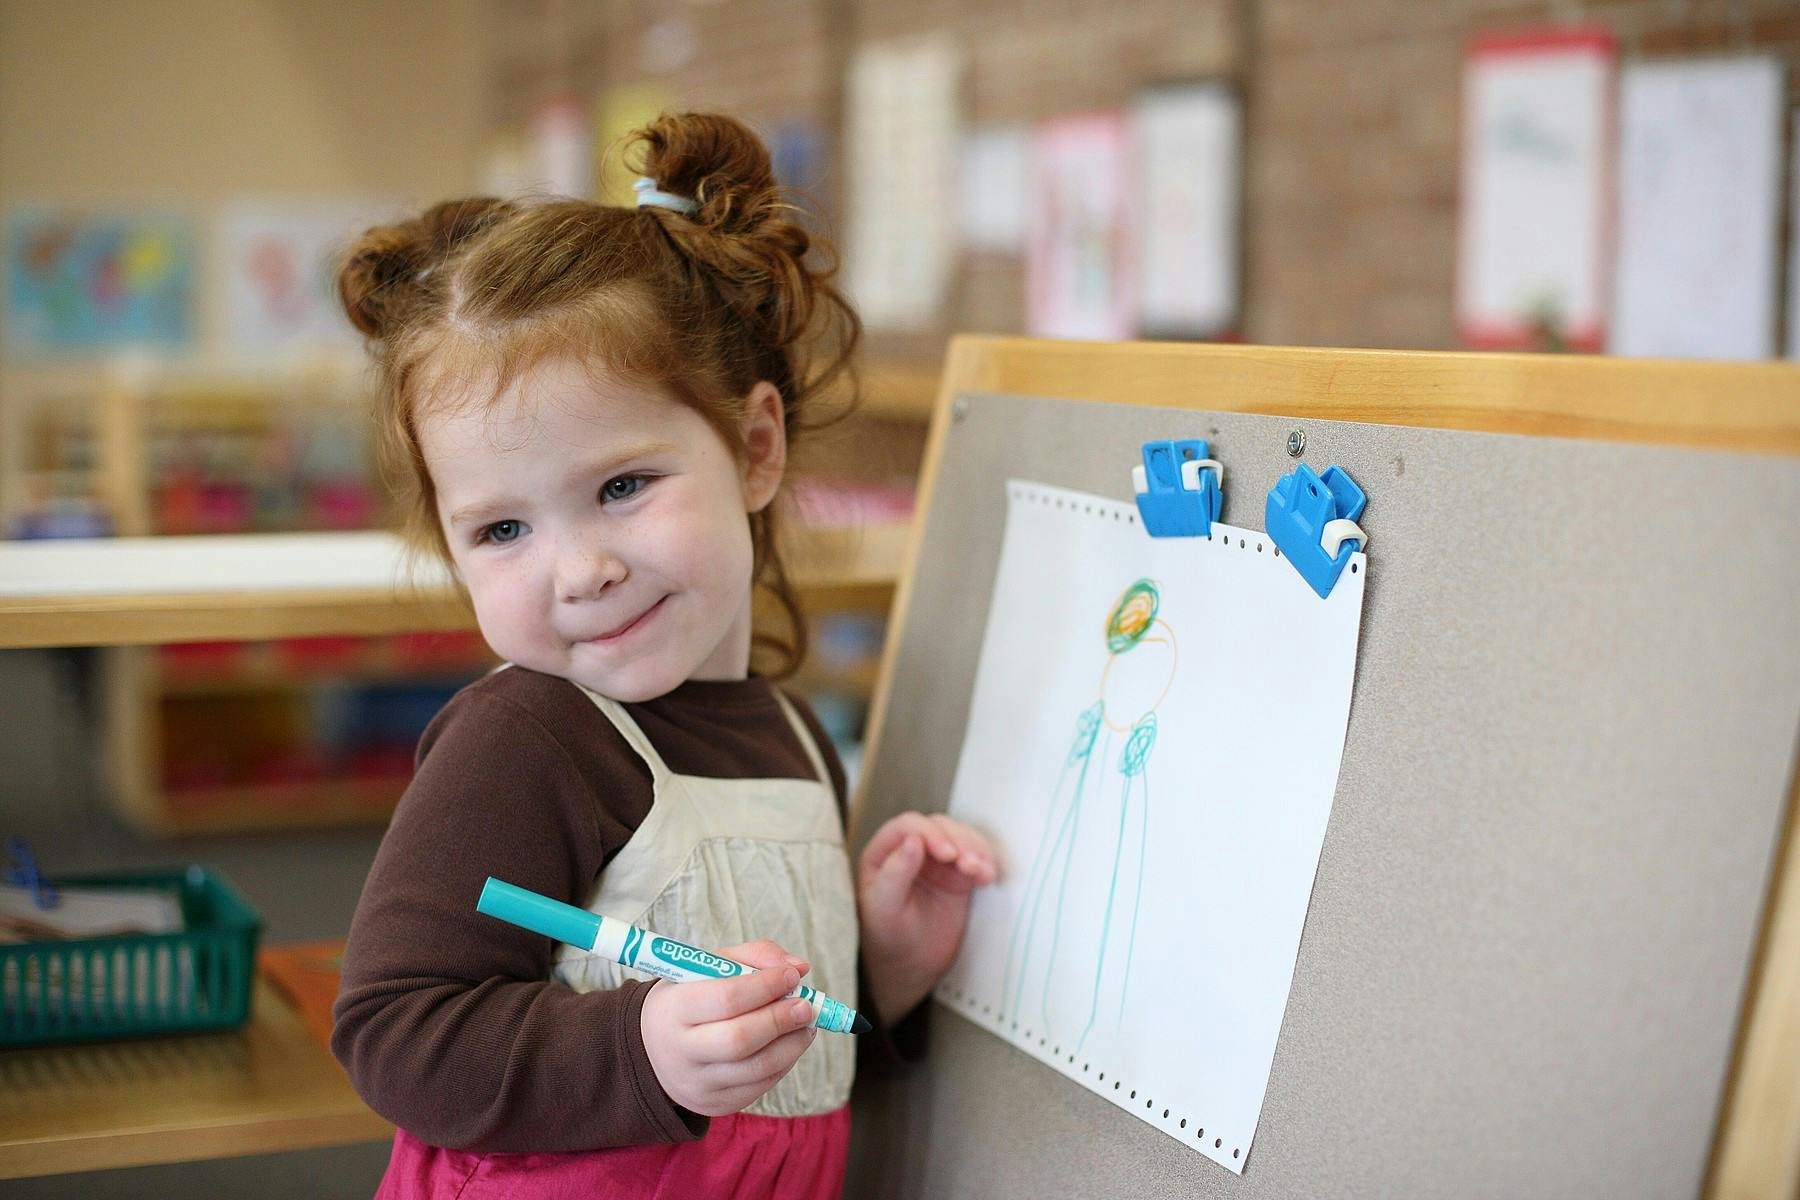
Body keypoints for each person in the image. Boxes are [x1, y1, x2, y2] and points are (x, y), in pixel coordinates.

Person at [330, 111, 996, 1199]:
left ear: (756, 447)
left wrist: (879, 968)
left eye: (621, 487)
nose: (579, 569)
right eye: (503, 530)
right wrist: (638, 1050)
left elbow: (787, 1058)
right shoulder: (527, 738)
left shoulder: (792, 736)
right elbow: (394, 1029)